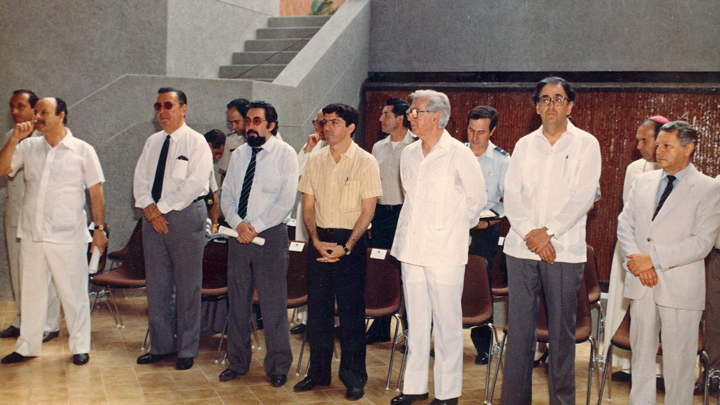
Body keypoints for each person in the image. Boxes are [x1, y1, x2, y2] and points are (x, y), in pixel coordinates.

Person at [500, 77, 601, 404]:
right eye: (544, 99)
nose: (551, 105)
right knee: (519, 335)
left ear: (570, 105)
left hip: (564, 252)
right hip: (521, 248)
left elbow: (583, 196)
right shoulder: (524, 145)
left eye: (558, 99)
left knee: (561, 337)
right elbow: (511, 196)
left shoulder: (587, 144)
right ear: (536, 106)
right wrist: (532, 234)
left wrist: (548, 233)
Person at [390, 90, 486, 405]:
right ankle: (414, 387)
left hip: (445, 250)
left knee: (446, 325)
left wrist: (449, 228)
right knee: (415, 323)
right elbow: (410, 199)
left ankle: (448, 395)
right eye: (410, 112)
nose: (410, 117)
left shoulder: (460, 154)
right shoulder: (409, 153)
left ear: (436, 116)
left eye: (416, 112)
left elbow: (476, 204)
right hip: (411, 249)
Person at [617, 121, 720, 404]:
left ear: (689, 149)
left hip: (679, 286)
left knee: (679, 366)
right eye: (658, 144)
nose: (658, 151)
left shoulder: (708, 188)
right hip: (642, 283)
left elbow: (702, 241)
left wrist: (653, 260)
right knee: (641, 359)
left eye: (667, 146)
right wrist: (638, 263)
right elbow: (624, 225)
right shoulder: (643, 181)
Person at [0, 97, 107, 365]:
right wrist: (14, 139)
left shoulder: (83, 150)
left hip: (68, 235)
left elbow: (96, 193)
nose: (37, 116)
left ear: (61, 115)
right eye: (35, 112)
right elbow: (2, 169)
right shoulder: (28, 146)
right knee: (31, 294)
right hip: (33, 234)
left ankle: (80, 346)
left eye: (43, 112)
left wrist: (99, 229)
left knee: (74, 294)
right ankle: (27, 347)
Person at [294, 103, 382, 401]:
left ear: (350, 127)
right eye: (324, 122)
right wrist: (316, 240)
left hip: (350, 244)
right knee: (317, 313)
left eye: (334, 122)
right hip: (318, 241)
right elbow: (307, 206)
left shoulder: (366, 161)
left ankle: (354, 377)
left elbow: (368, 211)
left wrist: (346, 246)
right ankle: (317, 373)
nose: (327, 127)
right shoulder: (314, 161)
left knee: (351, 315)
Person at [218, 101, 298, 387]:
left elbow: (286, 200)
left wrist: (255, 228)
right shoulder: (238, 154)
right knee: (237, 302)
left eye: (255, 121)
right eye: (247, 121)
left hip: (271, 236)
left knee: (273, 303)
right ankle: (237, 363)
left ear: (271, 125)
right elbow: (226, 195)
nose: (249, 126)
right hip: (238, 235)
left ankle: (278, 366)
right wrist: (239, 224)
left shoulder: (286, 155)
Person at [133, 87, 213, 371]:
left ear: (183, 108)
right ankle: (161, 347)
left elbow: (195, 184)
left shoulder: (196, 142)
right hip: (153, 218)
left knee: (187, 286)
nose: (162, 111)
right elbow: (140, 180)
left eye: (169, 105)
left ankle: (186, 350)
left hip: (183, 217)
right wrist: (149, 209)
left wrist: (159, 209)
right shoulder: (153, 142)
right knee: (157, 286)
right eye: (158, 106)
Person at [603, 116, 668, 384]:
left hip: (659, 255)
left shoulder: (676, 170)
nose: (639, 145)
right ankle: (625, 364)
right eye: (638, 139)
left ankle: (660, 371)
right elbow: (627, 213)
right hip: (631, 249)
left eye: (645, 140)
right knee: (627, 306)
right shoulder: (634, 169)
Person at [0, 90, 61, 343]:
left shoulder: (49, 137)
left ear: (35, 109)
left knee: (45, 273)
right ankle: (22, 319)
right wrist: (15, 139)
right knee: (18, 270)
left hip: (45, 216)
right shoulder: (10, 137)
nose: (15, 111)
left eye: (21, 106)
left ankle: (49, 324)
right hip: (15, 214)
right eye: (12, 106)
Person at [365, 97, 415, 345]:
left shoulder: (415, 147)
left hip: (405, 214)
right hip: (382, 215)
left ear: (400, 118)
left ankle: (408, 331)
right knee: (381, 269)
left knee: (407, 273)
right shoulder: (378, 147)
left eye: (386, 114)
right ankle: (381, 326)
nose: (381, 119)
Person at [464, 105, 510, 365]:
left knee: (479, 286)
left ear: (492, 131)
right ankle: (440, 340)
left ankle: (482, 346)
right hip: (454, 228)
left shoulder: (502, 160)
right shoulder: (454, 154)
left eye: (481, 132)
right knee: (446, 282)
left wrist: (491, 219)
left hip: (484, 229)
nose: (475, 137)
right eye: (471, 130)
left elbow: (510, 200)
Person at [291, 109, 327, 335]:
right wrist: (307, 150)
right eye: (317, 122)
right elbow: (294, 175)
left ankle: (328, 322)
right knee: (305, 262)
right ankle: (305, 319)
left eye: (323, 122)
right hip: (305, 209)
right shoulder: (310, 146)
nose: (319, 127)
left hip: (327, 212)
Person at [219, 98, 249, 182]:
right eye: (230, 123)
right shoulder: (231, 140)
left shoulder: (266, 138)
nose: (233, 127)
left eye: (236, 122)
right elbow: (225, 172)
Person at [203, 129, 225, 234]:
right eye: (217, 153)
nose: (217, 158)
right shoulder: (205, 162)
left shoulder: (209, 164)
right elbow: (213, 196)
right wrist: (214, 224)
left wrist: (214, 224)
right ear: (209, 145)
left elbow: (212, 195)